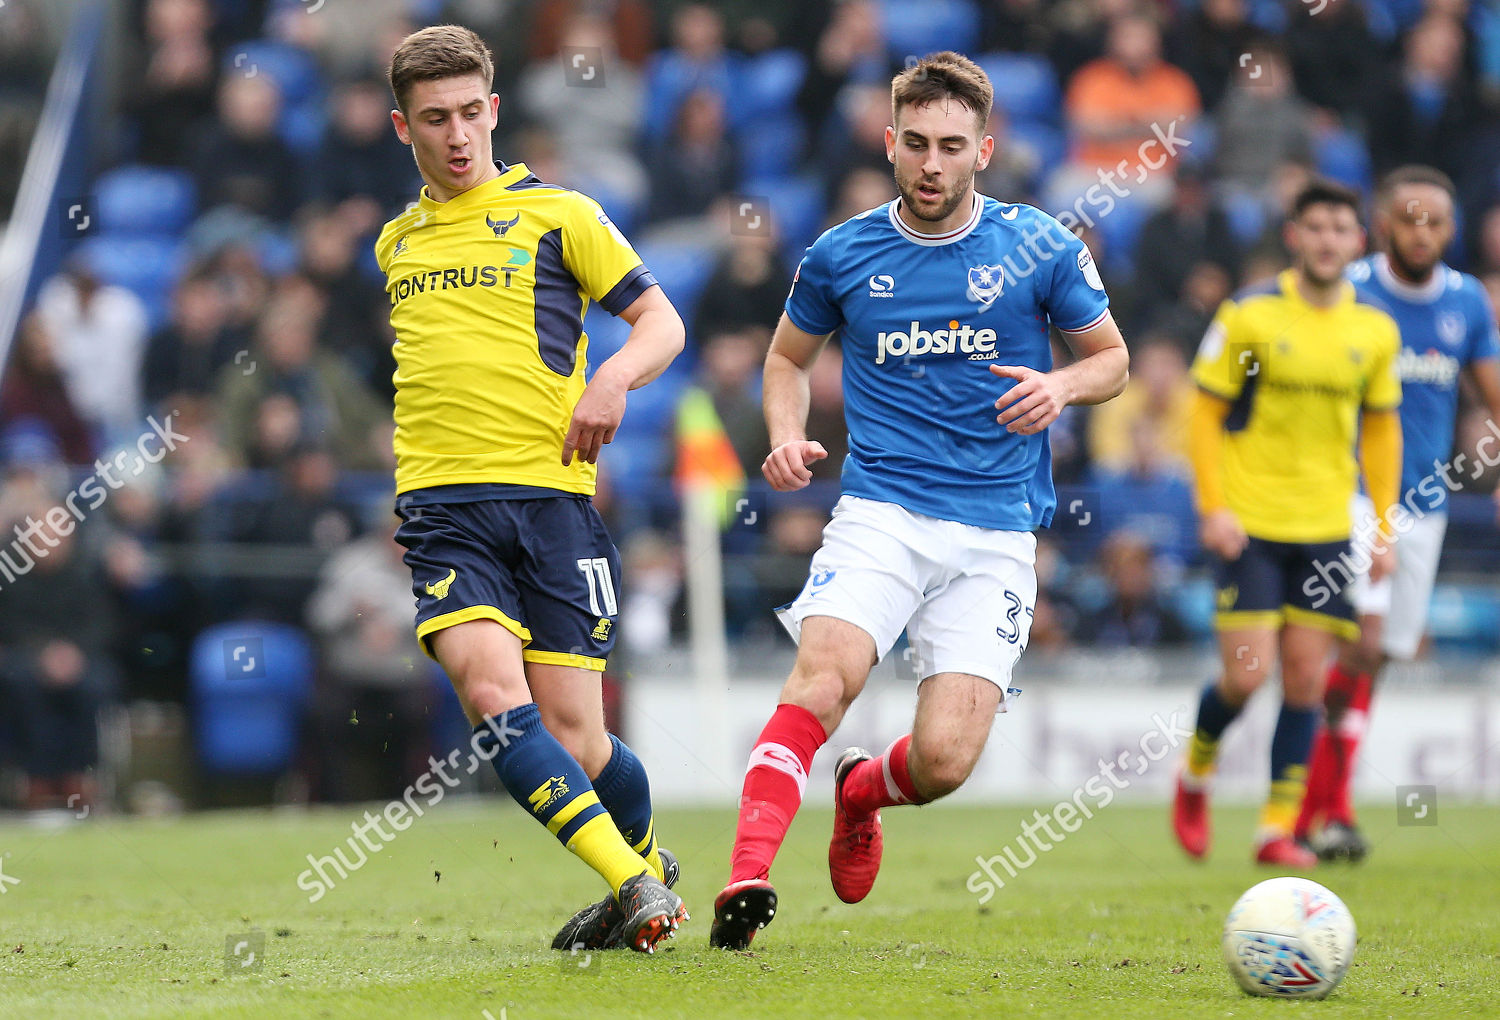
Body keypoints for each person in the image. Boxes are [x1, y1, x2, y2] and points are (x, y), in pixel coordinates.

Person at [709, 52, 1129, 950]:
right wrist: (784, 436)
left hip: (998, 529)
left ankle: (861, 793)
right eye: (916, 144)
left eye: (951, 145)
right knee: (822, 680)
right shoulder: (842, 252)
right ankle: (745, 878)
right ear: (888, 141)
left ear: (986, 147)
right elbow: (786, 360)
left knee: (942, 763)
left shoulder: (1041, 245)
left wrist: (1060, 389)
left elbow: (1113, 360)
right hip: (882, 512)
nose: (931, 163)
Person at [375, 26, 686, 954]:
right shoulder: (396, 244)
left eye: (473, 112)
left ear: (496, 109)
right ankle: (634, 882)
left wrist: (613, 379)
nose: (459, 134)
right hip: (443, 512)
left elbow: (661, 321)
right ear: (404, 128)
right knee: (487, 691)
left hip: (552, 504)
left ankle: (649, 864)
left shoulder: (561, 214)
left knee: (578, 741)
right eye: (437, 119)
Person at [1172, 179, 1403, 868]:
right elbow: (1205, 414)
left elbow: (1383, 433)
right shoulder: (1250, 316)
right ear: (1294, 236)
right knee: (1246, 677)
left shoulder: (1374, 330)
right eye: (1316, 227)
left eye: (1342, 228)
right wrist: (1212, 506)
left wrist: (1383, 526)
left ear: (1359, 242)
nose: (1328, 240)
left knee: (1305, 683)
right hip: (1250, 524)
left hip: (1327, 527)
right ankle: (1194, 777)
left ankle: (1276, 830)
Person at [1296, 166, 1500, 861]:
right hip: (1348, 490)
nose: (1421, 232)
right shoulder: (1350, 289)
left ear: (1452, 228)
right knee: (1366, 634)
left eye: (1435, 221)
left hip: (1427, 503)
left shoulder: (1467, 302)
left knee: (1381, 655)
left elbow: (1491, 391)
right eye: (1408, 219)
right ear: (1384, 225)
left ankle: (1322, 800)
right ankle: (1320, 797)